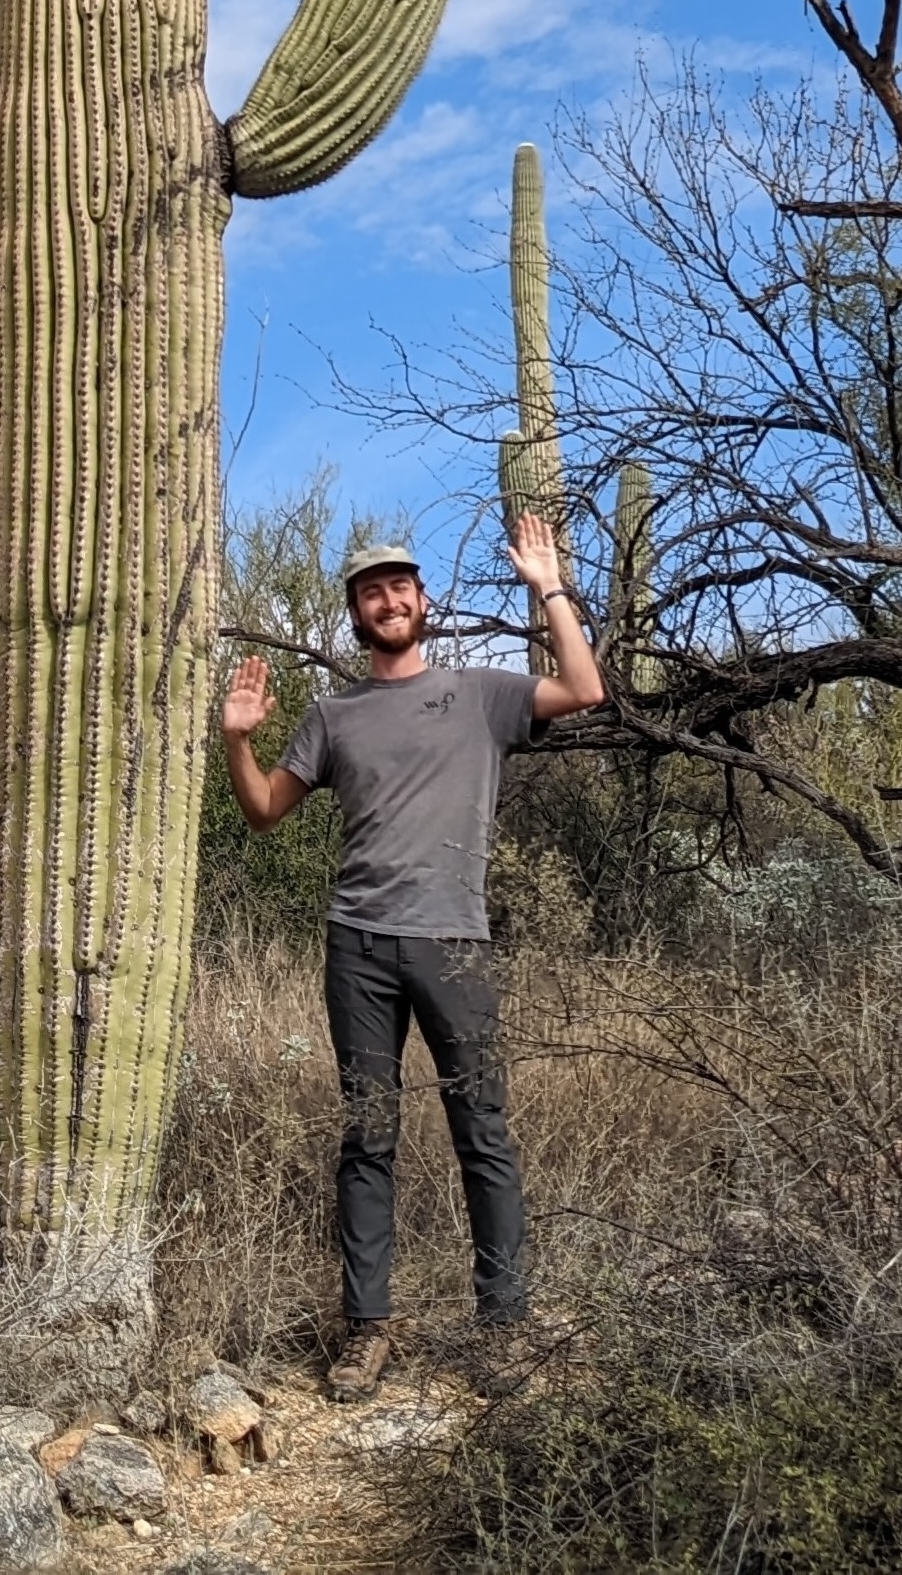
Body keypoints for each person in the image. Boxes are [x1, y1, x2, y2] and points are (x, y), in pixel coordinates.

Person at [220, 514, 604, 1401]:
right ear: (355, 613)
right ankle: (368, 1328)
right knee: (369, 1135)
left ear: (423, 601)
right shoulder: (333, 713)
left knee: (484, 1131)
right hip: (358, 942)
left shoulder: (480, 693)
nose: (388, 599)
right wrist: (239, 737)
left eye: (400, 586)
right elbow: (265, 811)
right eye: (370, 591)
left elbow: (585, 688)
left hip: (455, 940)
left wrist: (548, 583)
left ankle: (504, 1325)